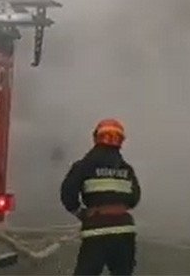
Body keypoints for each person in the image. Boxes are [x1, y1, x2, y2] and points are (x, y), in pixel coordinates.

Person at [61, 118, 141, 276]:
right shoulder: (126, 169)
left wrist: (82, 213)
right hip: (124, 230)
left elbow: (68, 193)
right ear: (120, 141)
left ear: (96, 138)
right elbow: (134, 198)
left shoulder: (84, 166)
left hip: (96, 230)